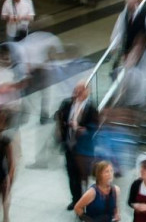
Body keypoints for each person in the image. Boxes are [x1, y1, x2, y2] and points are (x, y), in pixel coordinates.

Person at [56, 83, 99, 211]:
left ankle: (83, 202)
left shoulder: (91, 108)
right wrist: (64, 123)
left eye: (81, 90)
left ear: (87, 92)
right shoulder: (67, 104)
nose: (77, 93)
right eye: (76, 90)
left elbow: (95, 127)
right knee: (71, 174)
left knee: (83, 176)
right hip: (69, 145)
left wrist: (84, 130)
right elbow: (58, 116)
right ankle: (75, 199)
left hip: (83, 149)